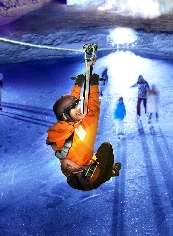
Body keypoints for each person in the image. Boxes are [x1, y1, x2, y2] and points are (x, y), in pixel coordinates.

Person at [47, 63, 121, 191]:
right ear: (65, 115)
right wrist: (94, 85)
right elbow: (94, 110)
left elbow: (68, 105)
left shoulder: (58, 129)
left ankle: (98, 172)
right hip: (90, 179)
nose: (78, 108)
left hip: (72, 178)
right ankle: (110, 173)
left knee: (87, 155)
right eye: (74, 108)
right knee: (106, 147)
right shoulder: (84, 130)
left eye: (77, 105)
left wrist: (78, 85)